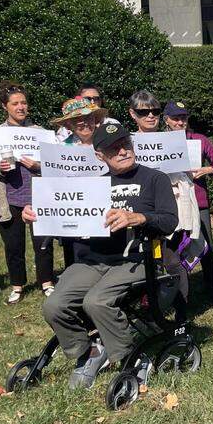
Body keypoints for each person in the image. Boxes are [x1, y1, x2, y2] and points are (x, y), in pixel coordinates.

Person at [28, 122, 177, 389]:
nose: (122, 151)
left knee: (97, 301)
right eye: (113, 149)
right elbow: (68, 222)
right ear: (99, 155)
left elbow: (169, 221)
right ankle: (89, 352)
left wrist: (139, 217)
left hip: (137, 259)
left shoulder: (155, 179)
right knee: (54, 305)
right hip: (94, 260)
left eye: (125, 144)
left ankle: (132, 358)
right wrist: (40, 214)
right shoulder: (92, 186)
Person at [0, 81, 55, 303]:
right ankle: (17, 285)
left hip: (39, 196)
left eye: (24, 102)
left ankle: (47, 282)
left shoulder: (40, 133)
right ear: (5, 106)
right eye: (15, 103)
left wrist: (38, 166)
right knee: (13, 246)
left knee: (44, 244)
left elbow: (55, 165)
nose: (21, 107)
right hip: (8, 198)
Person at [163, 100, 213, 308]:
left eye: (183, 118)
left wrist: (207, 170)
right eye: (175, 118)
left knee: (207, 248)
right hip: (170, 203)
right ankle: (178, 296)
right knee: (171, 251)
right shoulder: (158, 142)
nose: (180, 122)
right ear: (166, 120)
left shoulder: (199, 140)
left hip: (198, 202)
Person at [53, 95, 109, 270]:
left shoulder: (108, 143)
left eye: (89, 118)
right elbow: (54, 184)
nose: (85, 123)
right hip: (76, 214)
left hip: (106, 212)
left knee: (108, 260)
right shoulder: (61, 149)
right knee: (78, 263)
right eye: (78, 120)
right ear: (69, 125)